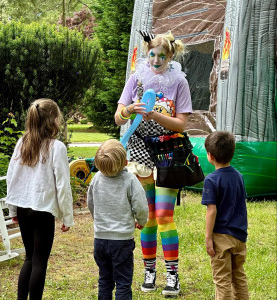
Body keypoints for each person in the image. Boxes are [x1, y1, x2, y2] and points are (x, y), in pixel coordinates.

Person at [115, 31, 192, 296]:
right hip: (138, 154)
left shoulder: (179, 82)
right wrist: (129, 110)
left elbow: (182, 124)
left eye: (162, 55)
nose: (156, 60)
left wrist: (156, 116)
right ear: (147, 53)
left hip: (168, 154)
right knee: (146, 218)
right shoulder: (136, 79)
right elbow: (118, 117)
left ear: (171, 56)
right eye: (152, 54)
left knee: (163, 216)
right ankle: (150, 272)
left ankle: (173, 276)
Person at [6, 98, 74, 300]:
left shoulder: (22, 143)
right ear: (54, 120)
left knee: (29, 258)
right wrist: (67, 217)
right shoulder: (57, 147)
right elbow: (63, 185)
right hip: (42, 210)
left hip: (23, 208)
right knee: (39, 262)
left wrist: (12, 210)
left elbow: (12, 178)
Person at [87, 139, 149, 300]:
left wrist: (98, 219)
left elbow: (90, 202)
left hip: (100, 239)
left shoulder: (96, 179)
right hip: (122, 241)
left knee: (105, 280)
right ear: (126, 162)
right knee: (122, 281)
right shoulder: (130, 180)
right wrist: (141, 221)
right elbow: (140, 205)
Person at [202, 131, 249, 300]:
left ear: (210, 156)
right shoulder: (239, 177)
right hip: (239, 236)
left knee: (222, 280)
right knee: (239, 277)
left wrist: (208, 238)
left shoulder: (211, 180)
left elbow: (212, 211)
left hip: (221, 238)